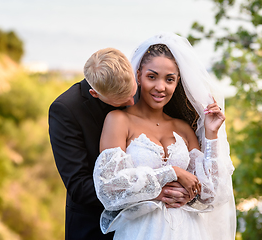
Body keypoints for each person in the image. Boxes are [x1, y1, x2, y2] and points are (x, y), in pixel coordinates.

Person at [93, 33, 236, 240]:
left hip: (190, 232)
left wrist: (211, 134)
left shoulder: (183, 128)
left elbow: (211, 194)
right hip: (141, 232)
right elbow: (110, 189)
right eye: (152, 77)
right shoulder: (118, 120)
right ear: (139, 75)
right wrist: (173, 172)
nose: (161, 87)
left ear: (178, 81)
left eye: (169, 79)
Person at [48, 47, 189, 240]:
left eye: (133, 92)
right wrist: (151, 191)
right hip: (93, 225)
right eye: (123, 100)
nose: (132, 102)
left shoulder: (131, 82)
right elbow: (79, 186)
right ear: (95, 93)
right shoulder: (65, 110)